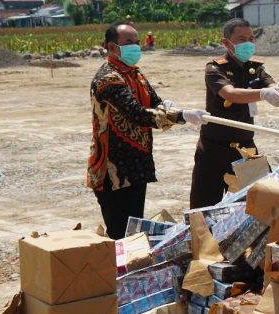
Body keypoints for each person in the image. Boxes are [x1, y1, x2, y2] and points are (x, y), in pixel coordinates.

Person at [88, 21, 206, 239]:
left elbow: (154, 101)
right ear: (112, 47)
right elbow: (137, 114)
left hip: (136, 165)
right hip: (113, 169)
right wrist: (180, 116)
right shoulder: (108, 79)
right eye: (129, 42)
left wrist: (168, 108)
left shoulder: (135, 74)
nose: (135, 47)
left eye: (137, 42)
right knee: (120, 233)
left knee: (134, 230)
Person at [190, 18, 279, 208]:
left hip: (245, 147)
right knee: (203, 207)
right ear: (226, 43)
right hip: (214, 149)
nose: (248, 44)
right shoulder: (215, 68)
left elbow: (270, 83)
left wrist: (278, 88)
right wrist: (263, 94)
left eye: (251, 39)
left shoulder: (255, 68)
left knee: (259, 206)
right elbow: (230, 94)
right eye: (241, 39)